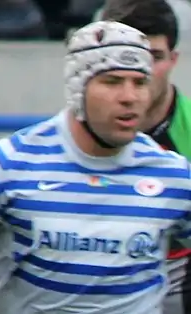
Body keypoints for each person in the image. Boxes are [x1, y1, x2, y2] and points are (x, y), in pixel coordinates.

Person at [0, 20, 191, 314]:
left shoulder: (174, 176)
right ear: (78, 89)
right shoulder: (3, 166)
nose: (130, 97)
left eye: (140, 82)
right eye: (112, 82)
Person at [101, 0, 191, 313]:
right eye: (125, 55)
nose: (140, 70)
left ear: (174, 59)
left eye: (153, 57)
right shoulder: (60, 140)